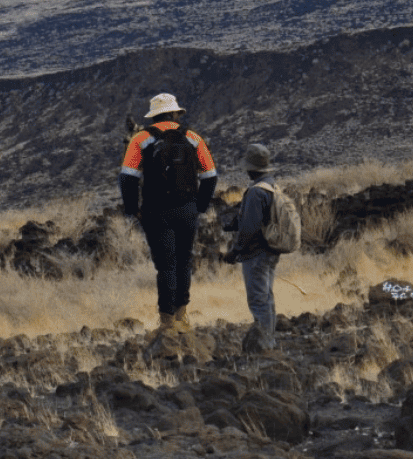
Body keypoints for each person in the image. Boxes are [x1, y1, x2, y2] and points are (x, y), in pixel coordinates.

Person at [119, 93, 218, 333]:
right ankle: (182, 317)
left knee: (166, 265)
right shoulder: (193, 138)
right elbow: (210, 176)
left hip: (156, 211)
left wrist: (133, 210)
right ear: (175, 113)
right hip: (187, 209)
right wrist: (200, 206)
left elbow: (127, 177)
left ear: (153, 116)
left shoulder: (140, 139)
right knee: (184, 261)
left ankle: (166, 323)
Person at [222, 144, 292, 350]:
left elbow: (250, 227)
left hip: (256, 254)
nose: (246, 170)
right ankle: (269, 340)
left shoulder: (255, 192)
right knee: (267, 298)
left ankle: (264, 344)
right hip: (271, 252)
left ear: (253, 168)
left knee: (258, 301)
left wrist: (235, 251)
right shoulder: (271, 187)